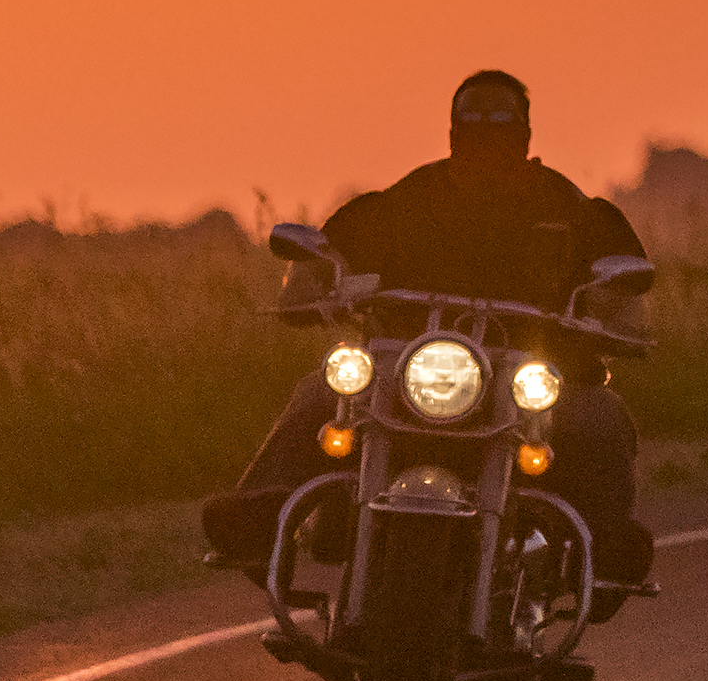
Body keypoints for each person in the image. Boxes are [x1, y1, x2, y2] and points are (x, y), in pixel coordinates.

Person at [198, 69, 653, 584]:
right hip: (406, 373)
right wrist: (308, 288)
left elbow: (628, 285)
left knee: (600, 414)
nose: (485, 144)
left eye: (499, 131)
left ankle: (606, 552)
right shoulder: (407, 200)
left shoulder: (575, 211)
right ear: (453, 133)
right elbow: (327, 255)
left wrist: (618, 320)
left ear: (525, 136)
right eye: (472, 129)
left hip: (533, 383)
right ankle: (264, 516)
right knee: (319, 395)